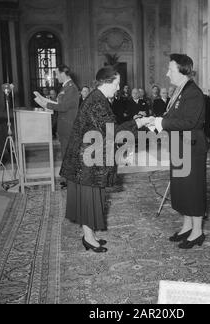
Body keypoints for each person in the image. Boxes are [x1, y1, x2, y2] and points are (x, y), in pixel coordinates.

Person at [59, 66, 148, 253]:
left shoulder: (98, 98)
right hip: (87, 162)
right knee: (88, 199)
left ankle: (90, 235)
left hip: (89, 158)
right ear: (106, 82)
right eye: (116, 84)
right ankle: (89, 238)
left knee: (92, 198)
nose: (118, 88)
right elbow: (113, 133)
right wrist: (137, 123)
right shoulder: (98, 102)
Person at [144, 54, 207, 250]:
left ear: (182, 70)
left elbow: (189, 123)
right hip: (180, 145)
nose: (167, 73)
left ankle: (197, 231)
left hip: (191, 147)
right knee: (182, 188)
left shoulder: (193, 93)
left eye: (170, 69)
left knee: (193, 188)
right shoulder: (180, 90)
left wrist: (160, 122)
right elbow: (172, 116)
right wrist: (154, 120)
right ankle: (187, 226)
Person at [35, 64, 80, 189]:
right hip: (64, 126)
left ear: (62, 73)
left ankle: (72, 182)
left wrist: (46, 104)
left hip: (68, 126)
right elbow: (60, 103)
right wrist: (45, 100)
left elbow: (64, 107)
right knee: (66, 153)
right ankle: (68, 180)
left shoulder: (71, 88)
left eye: (56, 74)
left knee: (68, 154)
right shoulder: (65, 87)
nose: (56, 77)